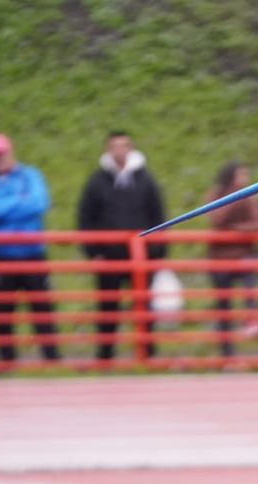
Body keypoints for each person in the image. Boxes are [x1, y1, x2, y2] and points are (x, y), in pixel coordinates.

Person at [0, 133, 61, 365]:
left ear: (11, 152)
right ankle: (6, 361)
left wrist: (2, 208)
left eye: (2, 154)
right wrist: (19, 201)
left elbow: (39, 203)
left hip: (32, 254)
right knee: (2, 312)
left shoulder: (30, 175)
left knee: (42, 308)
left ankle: (52, 360)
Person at [77, 131, 168, 361]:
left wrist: (156, 253)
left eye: (124, 145)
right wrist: (93, 252)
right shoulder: (97, 182)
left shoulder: (145, 180)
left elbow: (158, 216)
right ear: (108, 149)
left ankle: (146, 354)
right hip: (108, 256)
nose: (120, 150)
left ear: (130, 148)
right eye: (115, 146)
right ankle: (105, 356)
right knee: (108, 308)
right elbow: (85, 218)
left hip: (141, 256)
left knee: (144, 306)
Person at [206, 162, 258, 358]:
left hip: (243, 254)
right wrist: (234, 195)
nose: (244, 179)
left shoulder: (250, 196)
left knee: (250, 283)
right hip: (220, 257)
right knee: (223, 306)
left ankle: (252, 319)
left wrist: (237, 230)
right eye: (240, 175)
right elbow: (216, 219)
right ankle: (227, 353)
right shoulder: (218, 193)